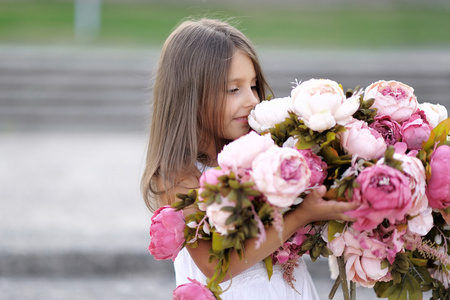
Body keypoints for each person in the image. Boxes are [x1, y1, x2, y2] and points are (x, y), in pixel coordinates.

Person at [141, 18, 358, 299]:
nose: (252, 100)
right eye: (234, 89)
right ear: (190, 97)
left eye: (254, 86)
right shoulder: (179, 176)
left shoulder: (267, 155)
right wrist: (303, 214)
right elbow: (216, 266)